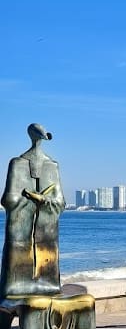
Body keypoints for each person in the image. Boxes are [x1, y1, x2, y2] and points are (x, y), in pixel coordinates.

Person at [0, 124, 65, 299]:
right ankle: (16, 286)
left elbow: (60, 202)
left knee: (46, 259)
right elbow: (8, 199)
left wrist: (43, 200)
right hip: (20, 234)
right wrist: (27, 199)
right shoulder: (17, 164)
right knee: (16, 262)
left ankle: (46, 283)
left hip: (46, 234)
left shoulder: (52, 166)